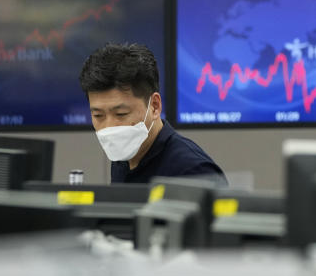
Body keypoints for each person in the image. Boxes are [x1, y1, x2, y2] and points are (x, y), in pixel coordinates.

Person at [79, 42, 226, 184]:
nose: (109, 127)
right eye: (98, 116)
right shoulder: (123, 159)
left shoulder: (195, 172)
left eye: (121, 114)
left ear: (155, 106)